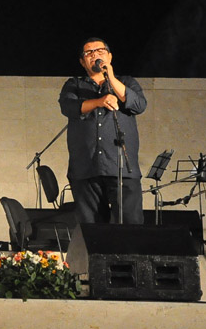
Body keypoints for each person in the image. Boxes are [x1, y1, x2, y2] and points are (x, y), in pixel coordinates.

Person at [59, 37, 146, 225]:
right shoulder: (74, 84)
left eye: (100, 51)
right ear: (83, 62)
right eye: (89, 53)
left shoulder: (127, 82)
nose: (95, 55)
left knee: (130, 226)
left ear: (109, 56)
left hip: (121, 167)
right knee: (92, 230)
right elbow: (69, 107)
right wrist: (99, 101)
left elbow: (139, 105)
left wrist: (111, 78)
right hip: (85, 168)